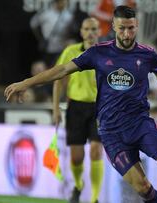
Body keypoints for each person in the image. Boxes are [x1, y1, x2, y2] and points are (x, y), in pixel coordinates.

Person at [5, 5, 157, 203]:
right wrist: (26, 83)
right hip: (111, 132)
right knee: (143, 188)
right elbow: (63, 70)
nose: (127, 33)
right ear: (114, 27)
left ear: (136, 26)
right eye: (122, 28)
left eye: (131, 28)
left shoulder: (148, 54)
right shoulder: (97, 53)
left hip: (140, 124)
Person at [52, 18, 104, 203]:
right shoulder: (70, 52)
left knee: (96, 151)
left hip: (99, 107)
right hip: (75, 107)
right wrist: (56, 108)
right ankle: (78, 184)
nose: (90, 32)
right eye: (87, 29)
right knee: (76, 157)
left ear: (99, 32)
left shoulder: (107, 52)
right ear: (81, 32)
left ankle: (95, 198)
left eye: (94, 29)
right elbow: (59, 80)